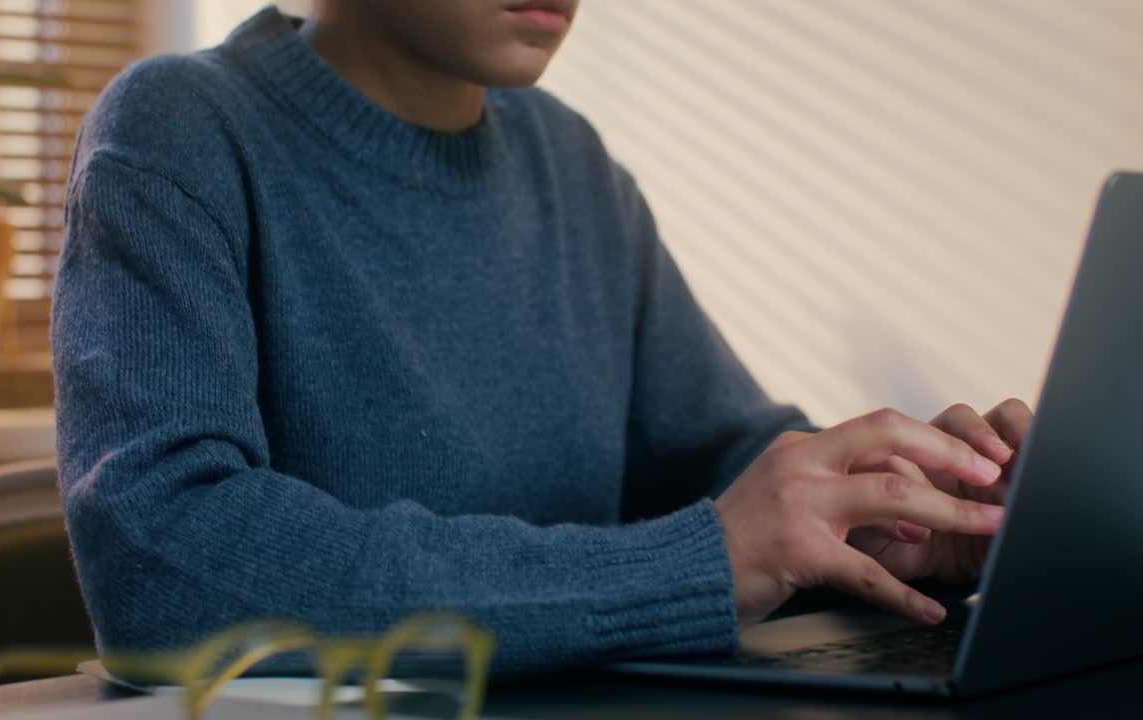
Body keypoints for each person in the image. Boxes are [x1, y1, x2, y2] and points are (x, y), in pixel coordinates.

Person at [53, 0, 1032, 675]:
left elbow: (711, 457)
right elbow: (165, 557)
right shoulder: (176, 130)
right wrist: (692, 568)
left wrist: (885, 520)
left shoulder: (568, 160)